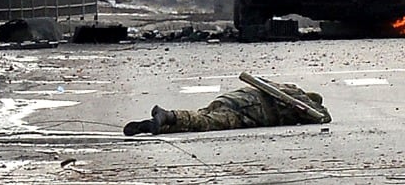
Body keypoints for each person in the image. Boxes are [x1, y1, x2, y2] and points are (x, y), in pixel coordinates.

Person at [123, 78, 329, 136]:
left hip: (233, 99)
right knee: (207, 122)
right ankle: (169, 116)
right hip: (250, 110)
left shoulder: (285, 87)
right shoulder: (300, 101)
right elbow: (323, 117)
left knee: (202, 117)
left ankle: (154, 125)